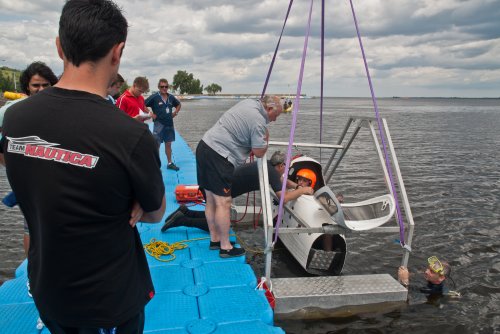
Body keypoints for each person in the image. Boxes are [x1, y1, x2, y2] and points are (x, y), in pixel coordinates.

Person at [0, 0, 166, 332]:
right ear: (117, 53)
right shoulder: (131, 135)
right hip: (112, 297)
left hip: (49, 290)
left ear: (59, 47)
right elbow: (154, 212)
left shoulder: (13, 119)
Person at [196, 95, 283, 258]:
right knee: (223, 202)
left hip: (204, 146)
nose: (275, 120)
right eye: (275, 116)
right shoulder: (259, 121)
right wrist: (267, 140)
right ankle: (225, 247)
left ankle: (215, 240)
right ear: (269, 109)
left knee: (210, 198)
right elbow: (258, 152)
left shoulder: (249, 102)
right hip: (219, 156)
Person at [162, 151, 314, 232]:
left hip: (216, 183)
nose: (285, 170)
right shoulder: (272, 172)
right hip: (218, 188)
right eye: (285, 167)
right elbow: (283, 198)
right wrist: (303, 191)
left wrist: (296, 187)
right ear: (280, 165)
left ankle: (185, 211)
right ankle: (181, 220)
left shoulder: (268, 165)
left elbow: (282, 181)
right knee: (218, 225)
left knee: (214, 216)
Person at [0, 61, 58, 257]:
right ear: (27, 86)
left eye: (45, 84)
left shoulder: (59, 110)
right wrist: (17, 171)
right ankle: (31, 271)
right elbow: (3, 147)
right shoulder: (14, 112)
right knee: (30, 227)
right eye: (36, 85)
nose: (40, 89)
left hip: (57, 178)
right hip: (30, 182)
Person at [145, 79, 181, 171]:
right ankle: (156, 165)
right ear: (159, 87)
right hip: (158, 124)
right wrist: (151, 114)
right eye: (162, 86)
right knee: (156, 145)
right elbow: (142, 104)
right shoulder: (154, 97)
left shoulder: (171, 97)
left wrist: (175, 113)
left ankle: (169, 163)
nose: (164, 88)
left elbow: (178, 104)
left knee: (168, 144)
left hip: (169, 124)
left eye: (166, 86)